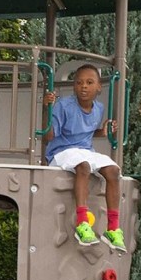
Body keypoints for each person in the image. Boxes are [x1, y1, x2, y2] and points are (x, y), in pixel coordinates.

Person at [43, 64, 126, 252]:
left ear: (98, 88)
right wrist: (47, 110)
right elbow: (48, 137)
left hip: (85, 150)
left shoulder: (99, 108)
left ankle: (113, 228)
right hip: (60, 152)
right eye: (79, 82)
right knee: (84, 166)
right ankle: (82, 223)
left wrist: (102, 131)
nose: (84, 87)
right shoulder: (63, 105)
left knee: (113, 170)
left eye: (89, 82)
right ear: (74, 86)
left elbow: (84, 132)